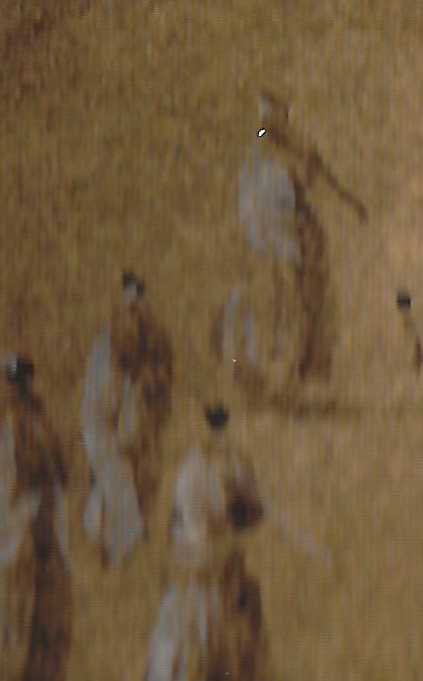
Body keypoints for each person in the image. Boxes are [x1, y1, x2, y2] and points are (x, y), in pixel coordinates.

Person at [0, 357, 75, 681]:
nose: (21, 406)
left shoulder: (41, 442)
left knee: (13, 637)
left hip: (25, 554)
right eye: (15, 395)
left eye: (25, 395)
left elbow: (55, 493)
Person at [221, 95, 353, 394]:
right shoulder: (263, 144)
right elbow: (265, 143)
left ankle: (301, 373)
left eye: (277, 115)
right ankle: (275, 372)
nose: (270, 122)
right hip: (271, 237)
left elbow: (315, 176)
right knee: (279, 303)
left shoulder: (289, 148)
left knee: (302, 302)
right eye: (268, 116)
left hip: (289, 236)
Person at [144, 405, 280, 681]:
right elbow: (188, 522)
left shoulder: (237, 461)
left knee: (242, 612)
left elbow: (251, 512)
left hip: (225, 560)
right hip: (200, 563)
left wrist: (248, 507)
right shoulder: (191, 469)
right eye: (213, 428)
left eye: (221, 427)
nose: (218, 435)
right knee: (191, 630)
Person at [73, 273, 176, 562]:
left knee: (139, 475)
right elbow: (100, 385)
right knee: (113, 477)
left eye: (138, 300)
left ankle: (125, 539)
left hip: (140, 416)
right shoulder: (109, 337)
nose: (134, 308)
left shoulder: (155, 334)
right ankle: (111, 542)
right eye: (129, 300)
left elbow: (164, 374)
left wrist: (151, 385)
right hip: (113, 417)